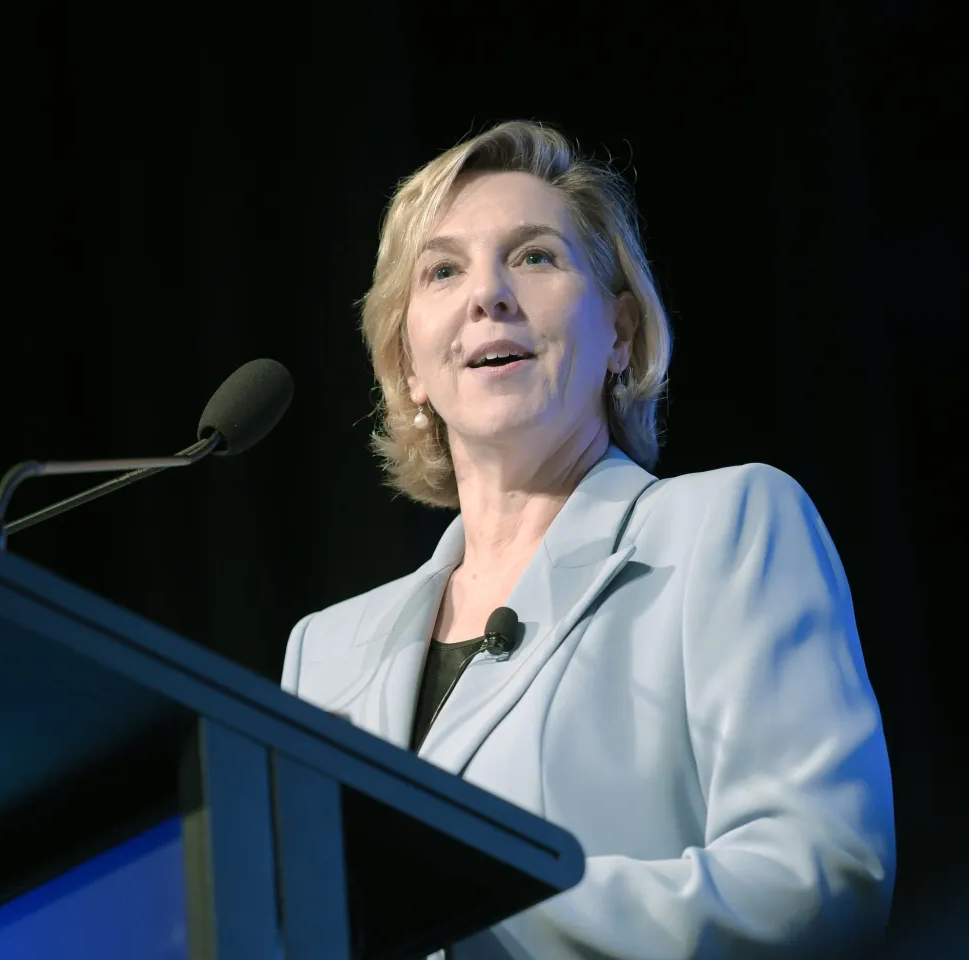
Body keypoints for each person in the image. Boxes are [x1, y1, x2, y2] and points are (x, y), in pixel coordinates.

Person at [281, 120, 895, 959]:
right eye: (443, 271)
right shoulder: (324, 652)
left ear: (621, 333)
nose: (488, 295)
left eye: (535, 257)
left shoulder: (725, 528)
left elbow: (820, 877)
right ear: (409, 363)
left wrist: (469, 905)